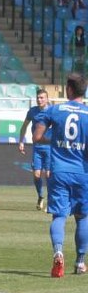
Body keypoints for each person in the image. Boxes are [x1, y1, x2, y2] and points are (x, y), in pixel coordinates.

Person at [33, 73, 88, 277]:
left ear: (69, 89)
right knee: (83, 217)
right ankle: (80, 262)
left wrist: (56, 141)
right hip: (82, 172)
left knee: (59, 215)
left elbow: (37, 137)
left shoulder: (55, 110)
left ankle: (58, 252)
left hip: (58, 171)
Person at [18, 88, 51, 211]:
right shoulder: (32, 111)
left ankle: (51, 201)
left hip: (49, 147)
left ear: (47, 99)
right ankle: (41, 196)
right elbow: (24, 127)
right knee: (37, 175)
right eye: (38, 97)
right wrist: (21, 141)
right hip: (37, 147)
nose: (39, 99)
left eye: (42, 97)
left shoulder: (52, 112)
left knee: (49, 175)